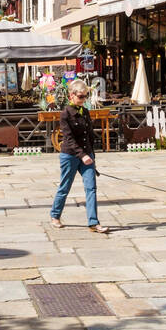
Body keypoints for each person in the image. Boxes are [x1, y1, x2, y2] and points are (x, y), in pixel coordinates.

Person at [51, 80, 107, 234]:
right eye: (81, 96)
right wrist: (82, 156)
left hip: (86, 156)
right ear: (72, 95)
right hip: (69, 155)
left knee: (91, 188)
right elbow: (68, 138)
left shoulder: (86, 112)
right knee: (65, 187)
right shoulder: (65, 114)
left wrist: (92, 157)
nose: (83, 99)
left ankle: (93, 223)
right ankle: (55, 215)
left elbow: (89, 136)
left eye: (85, 96)